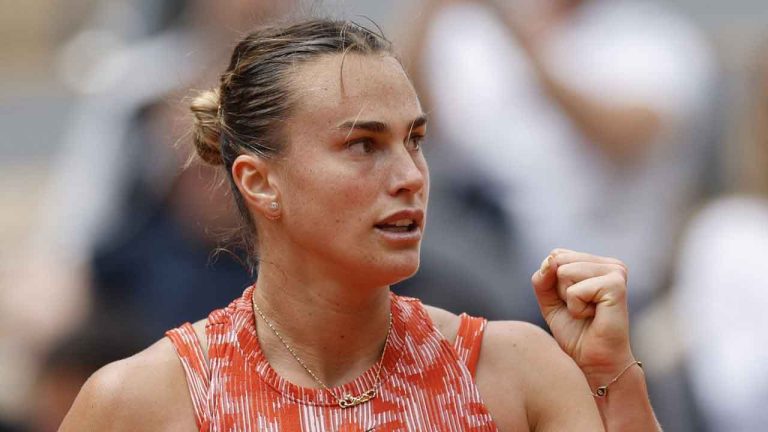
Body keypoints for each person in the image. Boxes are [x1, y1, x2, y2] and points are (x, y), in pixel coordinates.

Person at [60, 20, 659, 431]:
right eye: (364, 145)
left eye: (415, 140)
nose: (412, 176)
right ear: (259, 181)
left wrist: (612, 376)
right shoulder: (141, 402)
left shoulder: (517, 369)